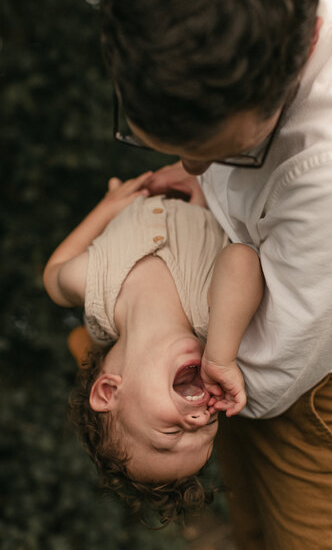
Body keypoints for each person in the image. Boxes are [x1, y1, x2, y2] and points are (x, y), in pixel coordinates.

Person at [101, 0, 332, 547]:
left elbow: (271, 366)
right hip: (234, 356)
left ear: (306, 43)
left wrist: (137, 343)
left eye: (231, 152)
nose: (193, 168)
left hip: (330, 393)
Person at [43, 173, 263, 520]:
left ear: (109, 391)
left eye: (172, 431)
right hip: (203, 181)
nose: (201, 417)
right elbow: (242, 259)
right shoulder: (211, 315)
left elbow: (52, 278)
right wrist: (221, 357)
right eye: (208, 428)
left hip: (145, 184)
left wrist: (107, 208)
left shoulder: (92, 288)